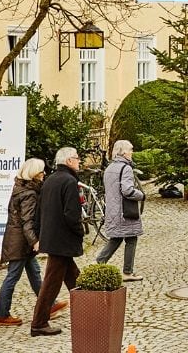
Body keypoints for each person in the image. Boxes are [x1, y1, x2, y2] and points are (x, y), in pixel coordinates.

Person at [0, 158, 68, 327]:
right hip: (21, 242)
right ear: (34, 174)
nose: (44, 175)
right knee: (12, 276)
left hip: (19, 240)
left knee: (34, 272)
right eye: (42, 172)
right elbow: (27, 221)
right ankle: (1, 314)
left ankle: (49, 305)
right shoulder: (29, 194)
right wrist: (35, 241)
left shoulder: (21, 188)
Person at [31, 147, 84, 337]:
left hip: (53, 237)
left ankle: (86, 311)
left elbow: (39, 211)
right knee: (51, 283)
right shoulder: (69, 181)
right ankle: (38, 323)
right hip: (62, 239)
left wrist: (39, 234)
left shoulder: (50, 180)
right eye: (77, 158)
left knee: (74, 277)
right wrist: (80, 231)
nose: (80, 162)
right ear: (69, 161)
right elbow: (72, 215)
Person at [95, 140, 146, 281]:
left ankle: (100, 262)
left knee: (116, 238)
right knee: (131, 238)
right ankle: (127, 272)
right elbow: (127, 190)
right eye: (130, 149)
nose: (132, 152)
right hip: (125, 212)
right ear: (123, 152)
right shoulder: (126, 168)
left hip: (113, 210)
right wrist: (141, 195)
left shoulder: (109, 168)